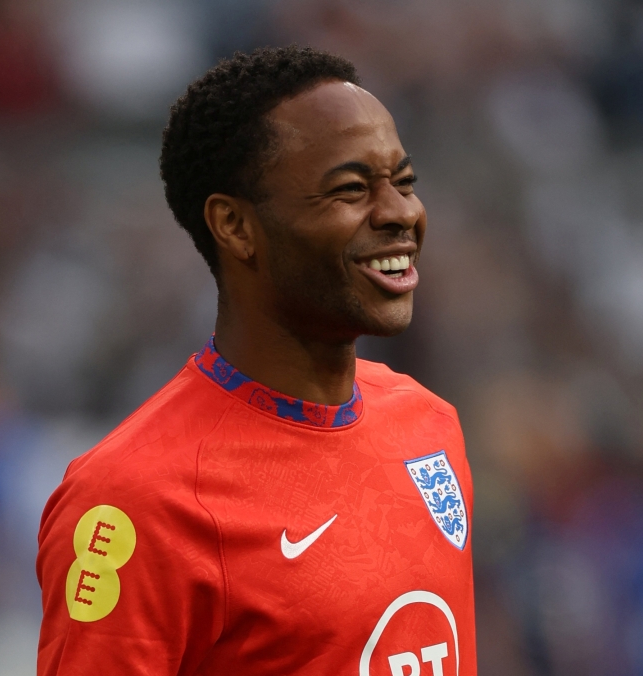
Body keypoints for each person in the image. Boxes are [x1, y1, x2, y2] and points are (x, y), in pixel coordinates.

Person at [36, 46, 476, 675]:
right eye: (351, 189)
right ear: (236, 227)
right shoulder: (134, 501)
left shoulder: (427, 425)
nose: (400, 212)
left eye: (403, 182)